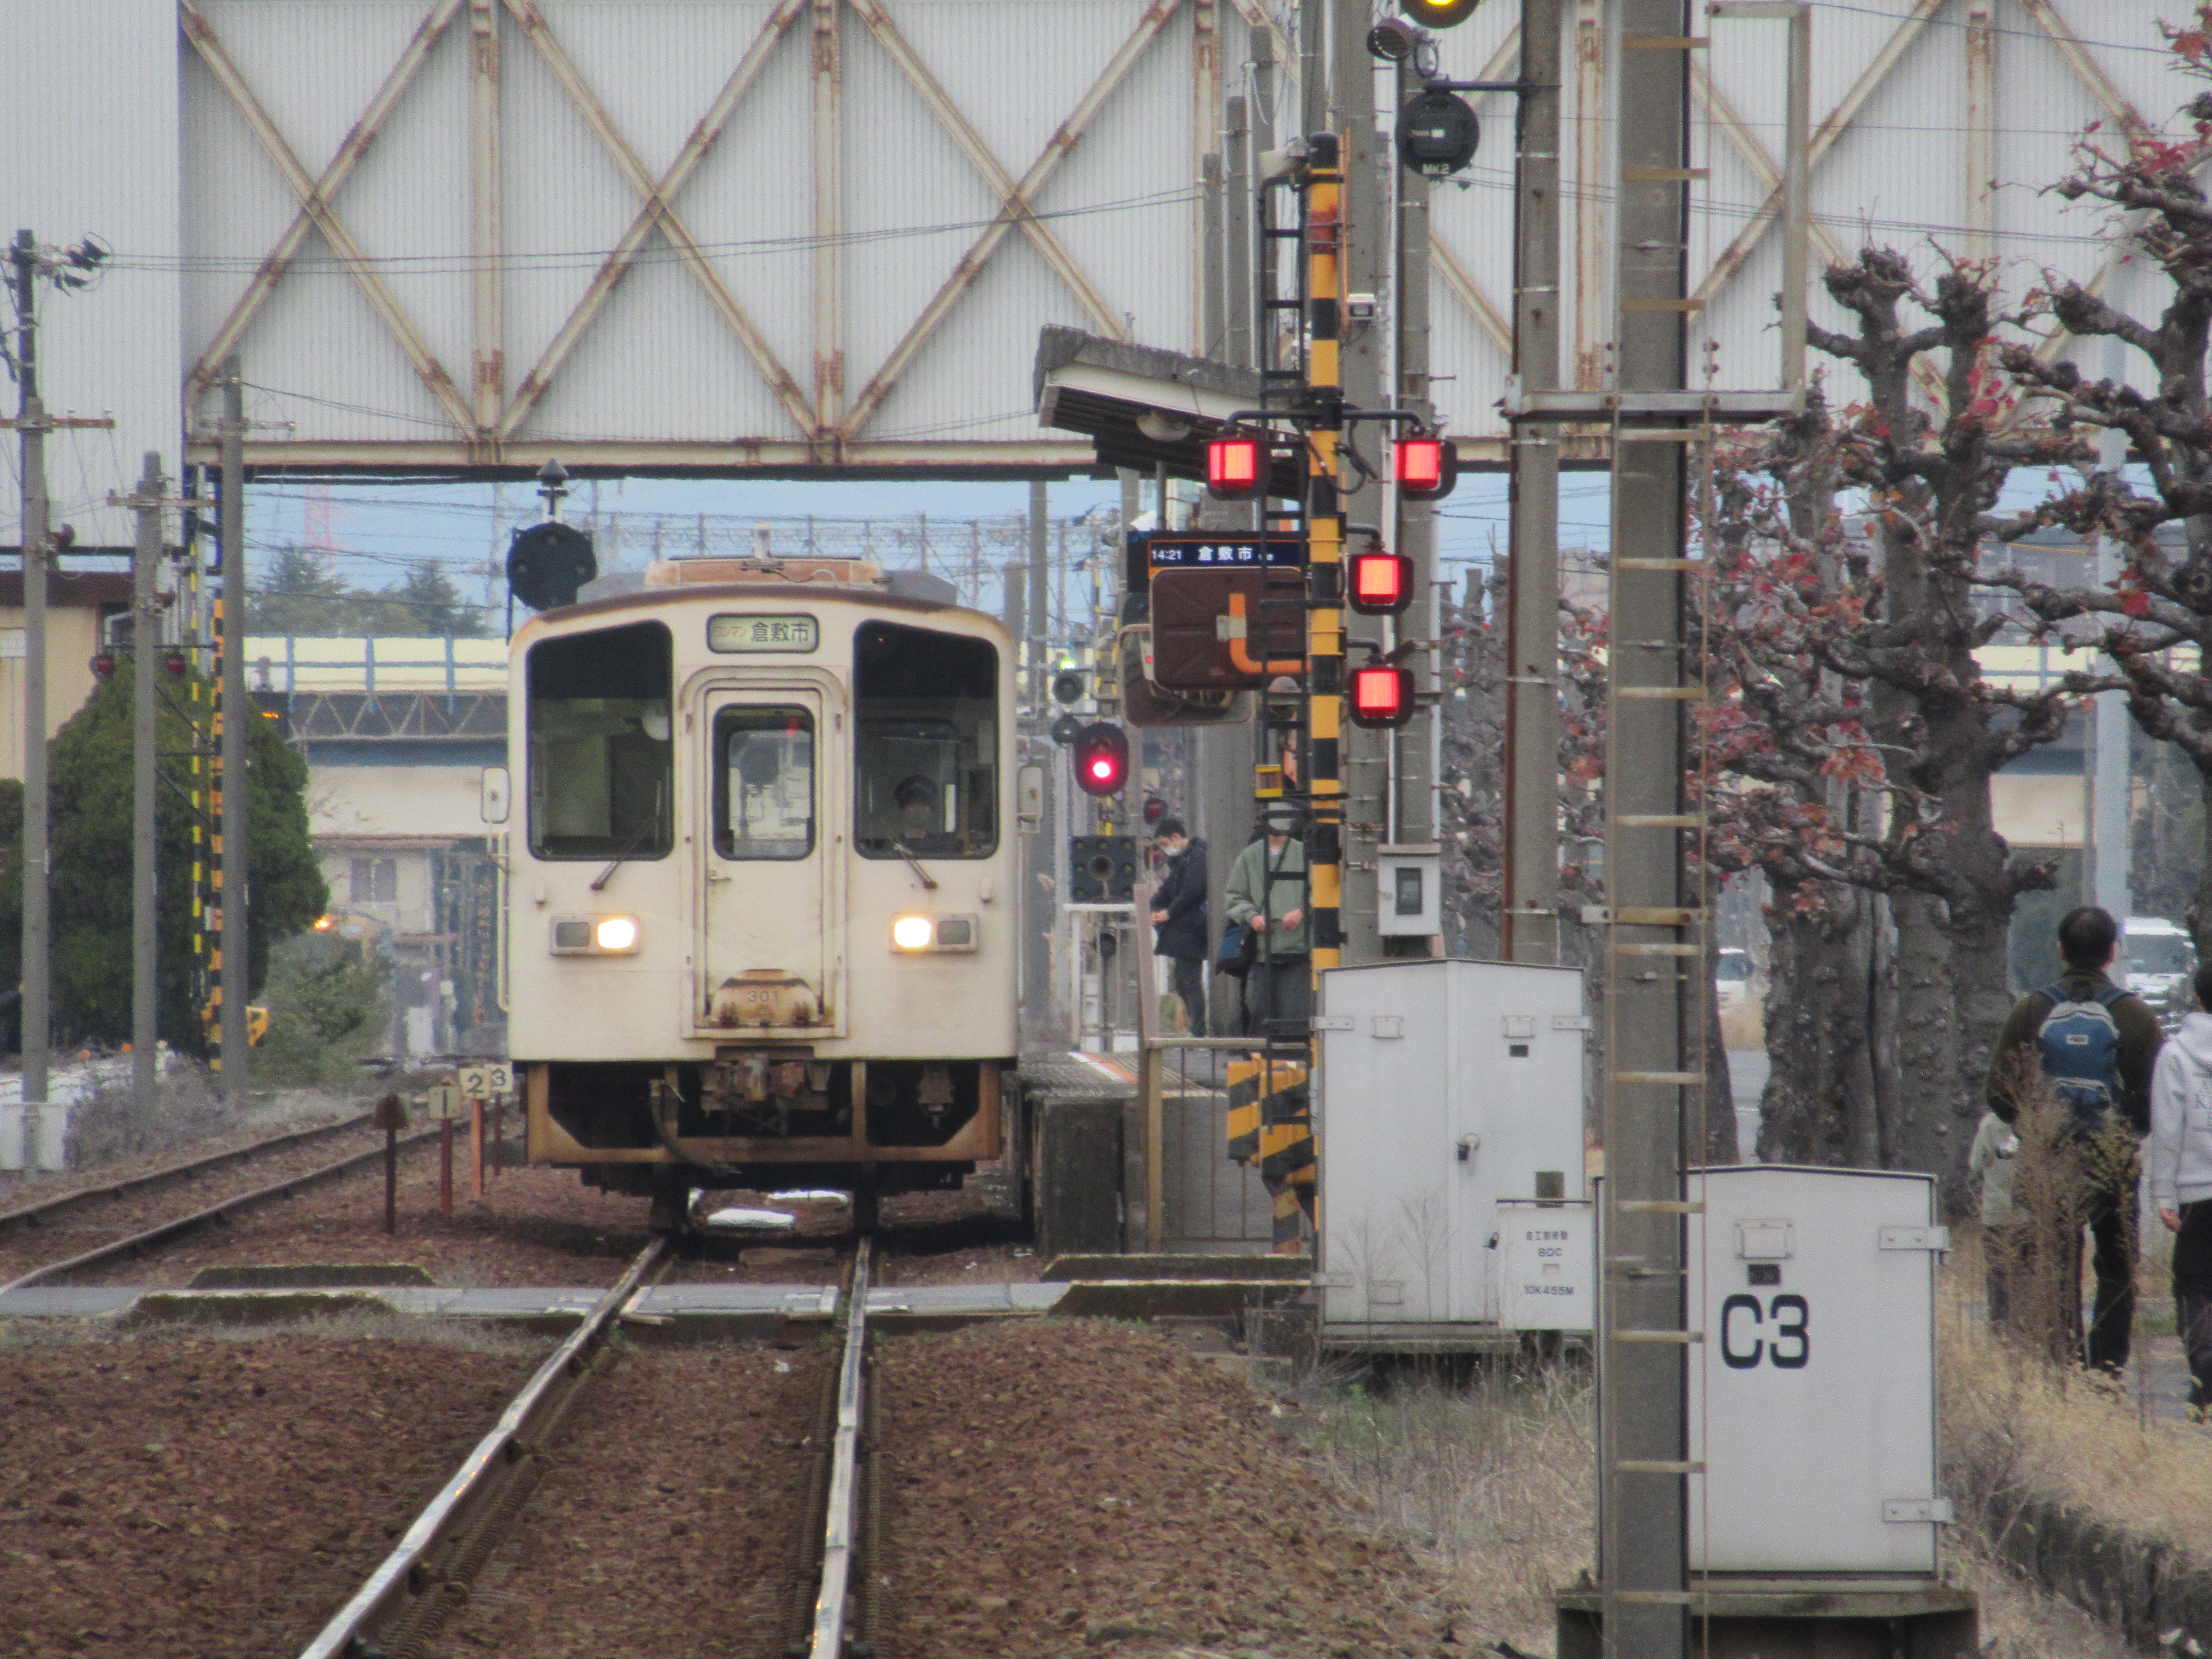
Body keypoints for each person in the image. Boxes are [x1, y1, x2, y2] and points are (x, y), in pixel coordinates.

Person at [1985, 905, 2164, 1374]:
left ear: (2061, 950)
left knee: (2055, 1262)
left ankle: (2059, 1362)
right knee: (2117, 1267)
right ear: (2112, 953)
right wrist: (2125, 1133)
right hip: (2113, 1160)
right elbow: (2155, 1101)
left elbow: (1999, 1095)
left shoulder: (2031, 1010)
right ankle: (2106, 1370)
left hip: (2048, 1159)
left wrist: (2036, 1122)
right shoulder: (2137, 1017)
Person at [2151, 959, 2212, 1415]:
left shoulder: (2174, 1054)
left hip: (2196, 1191)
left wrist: (2163, 1194)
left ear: (2196, 997)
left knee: (2193, 1283)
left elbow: (2167, 1130)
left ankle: (2204, 1364)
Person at [1224, 804, 1309, 1033]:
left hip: (1298, 952)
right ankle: (1261, 1054)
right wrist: (1252, 917)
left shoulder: (1305, 853)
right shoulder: (1250, 856)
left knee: (1295, 1019)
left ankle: (1286, 1054)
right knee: (1260, 1015)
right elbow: (1233, 897)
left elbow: (1322, 893)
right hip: (1261, 952)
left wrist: (1301, 912)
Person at [1147, 817, 1208, 1035]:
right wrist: (1155, 908)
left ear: (1175, 837)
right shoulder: (1183, 861)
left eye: (1165, 844)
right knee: (1183, 982)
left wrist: (1169, 912)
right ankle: (1196, 1028)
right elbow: (1167, 891)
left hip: (1192, 929)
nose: (1165, 850)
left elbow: (1194, 890)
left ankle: (1199, 1031)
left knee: (1190, 981)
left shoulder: (1198, 857)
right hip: (1184, 930)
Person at [1967, 1110, 2021, 1327]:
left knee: (1998, 1273)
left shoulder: (1990, 1123)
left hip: (1996, 1213)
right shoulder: (2037, 1119)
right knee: (2027, 1274)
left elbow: (1976, 1165)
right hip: (2029, 1215)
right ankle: (2027, 1327)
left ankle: (2000, 1327)